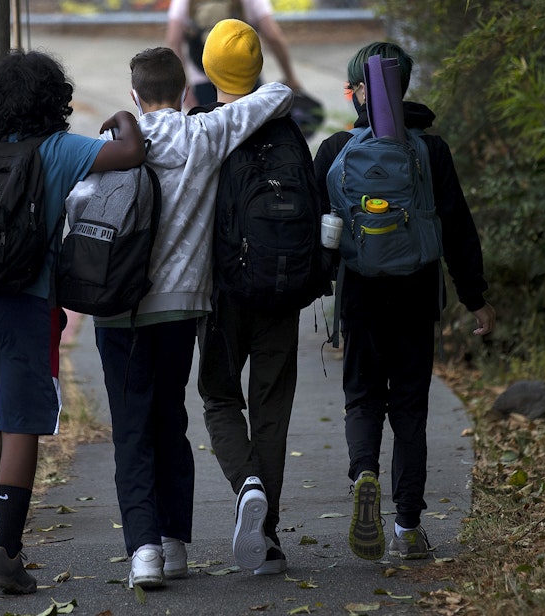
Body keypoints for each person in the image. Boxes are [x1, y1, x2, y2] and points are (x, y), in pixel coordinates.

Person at [0, 49, 145, 594]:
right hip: (25, 302)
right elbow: (131, 154)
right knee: (22, 423)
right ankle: (6, 554)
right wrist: (123, 118)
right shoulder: (59, 149)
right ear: (54, 101)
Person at [93, 35, 294, 590]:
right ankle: (176, 542)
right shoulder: (203, 132)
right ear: (184, 92)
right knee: (170, 420)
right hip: (181, 309)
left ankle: (145, 552)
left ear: (134, 97)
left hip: (120, 313)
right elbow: (277, 94)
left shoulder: (109, 146)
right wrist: (227, 93)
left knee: (132, 429)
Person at [312, 41, 496, 561]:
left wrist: (319, 282)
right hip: (417, 293)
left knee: (363, 397)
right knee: (411, 407)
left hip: (360, 294)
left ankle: (364, 472)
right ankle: (408, 528)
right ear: (403, 86)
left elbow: (321, 230)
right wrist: (474, 296)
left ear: (361, 92)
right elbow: (458, 226)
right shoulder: (431, 150)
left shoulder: (333, 152)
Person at [191, 21, 321, 575]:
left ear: (210, 68)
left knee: (221, 398)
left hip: (224, 292)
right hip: (284, 289)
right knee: (272, 407)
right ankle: (266, 540)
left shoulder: (205, 129)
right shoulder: (290, 130)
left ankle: (246, 485)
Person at [166, 0, 301, 108]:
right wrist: (290, 76)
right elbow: (273, 36)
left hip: (204, 81)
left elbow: (174, 40)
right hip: (247, 80)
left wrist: (184, 88)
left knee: (214, 137)